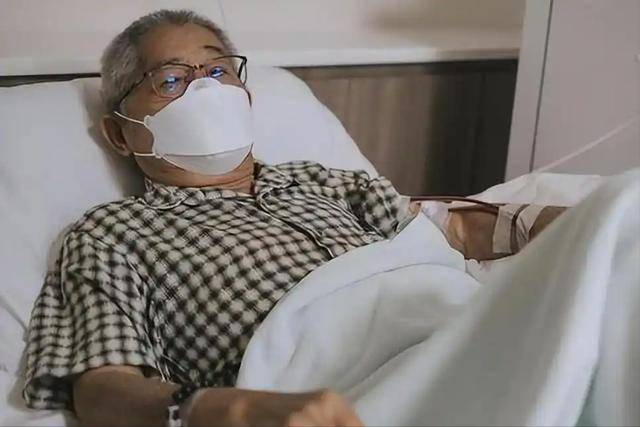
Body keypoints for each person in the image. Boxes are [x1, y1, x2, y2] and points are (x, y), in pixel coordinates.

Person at [22, 9, 565, 427]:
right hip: (343, 388)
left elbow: (456, 229)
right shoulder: (112, 234)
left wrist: (570, 228)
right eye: (171, 80)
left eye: (218, 70)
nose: (206, 89)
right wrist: (218, 409)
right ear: (119, 133)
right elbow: (100, 388)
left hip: (464, 328)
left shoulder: (322, 181)